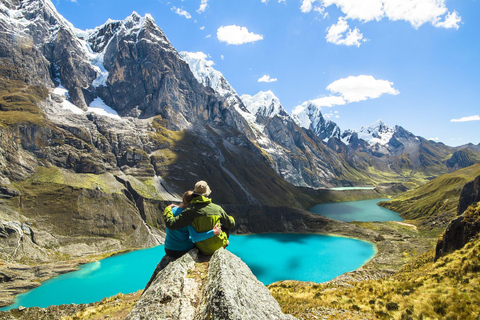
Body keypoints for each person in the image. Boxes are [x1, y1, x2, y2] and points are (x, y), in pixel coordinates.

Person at [163, 180, 235, 255]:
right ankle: (223, 243)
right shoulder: (217, 208)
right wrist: (229, 218)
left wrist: (167, 209)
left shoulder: (189, 211)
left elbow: (171, 224)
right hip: (214, 243)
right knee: (225, 225)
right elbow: (230, 224)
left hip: (193, 247)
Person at [164, 190, 221, 259]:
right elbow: (195, 237)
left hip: (168, 249)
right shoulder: (188, 215)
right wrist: (213, 232)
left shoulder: (171, 210)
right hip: (182, 250)